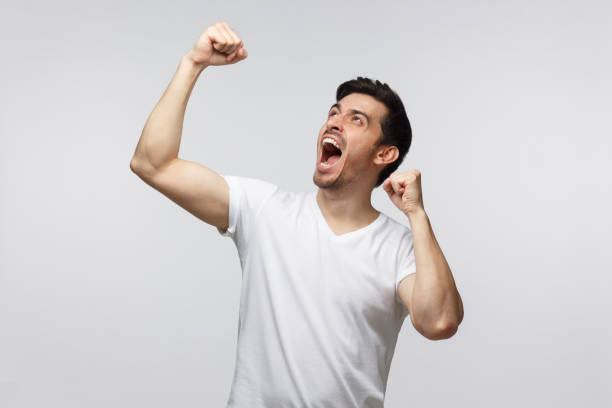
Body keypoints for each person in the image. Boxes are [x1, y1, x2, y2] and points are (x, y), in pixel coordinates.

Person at [130, 21, 463, 408]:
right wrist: (192, 63)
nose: (334, 121)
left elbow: (439, 322)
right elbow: (152, 164)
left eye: (357, 119)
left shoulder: (400, 247)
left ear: (384, 154)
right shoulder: (265, 211)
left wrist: (417, 215)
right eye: (334, 112)